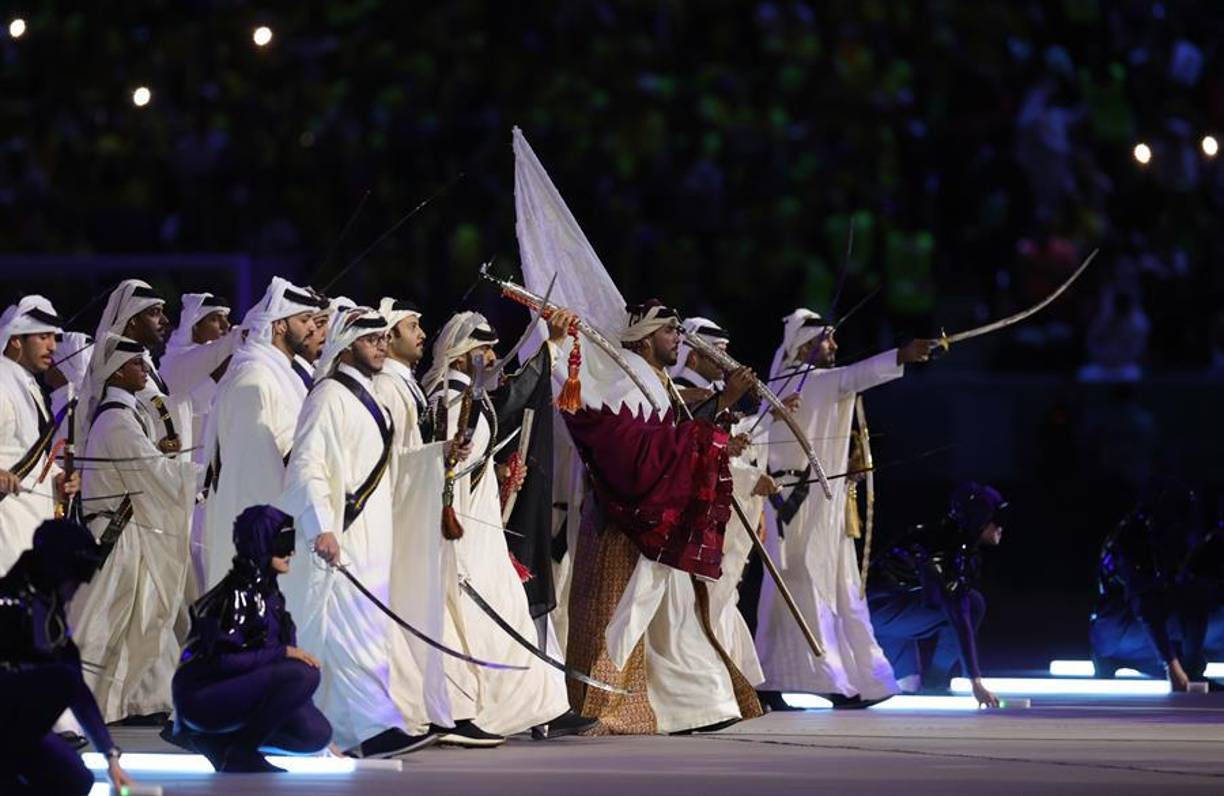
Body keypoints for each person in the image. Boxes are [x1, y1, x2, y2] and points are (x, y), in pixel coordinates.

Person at [557, 300, 763, 735]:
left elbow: (671, 436)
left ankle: (701, 706)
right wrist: (723, 400)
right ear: (648, 338)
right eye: (670, 331)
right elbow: (635, 454)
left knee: (677, 618)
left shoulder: (652, 377)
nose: (678, 339)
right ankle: (596, 703)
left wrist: (720, 409)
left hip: (659, 517)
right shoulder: (626, 379)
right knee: (622, 617)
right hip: (630, 520)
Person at [421, 310, 590, 742]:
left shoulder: (467, 393)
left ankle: (542, 709)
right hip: (459, 529)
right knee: (492, 616)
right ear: (461, 355)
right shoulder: (450, 394)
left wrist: (493, 474)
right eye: (484, 349)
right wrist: (549, 347)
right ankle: (492, 712)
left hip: (481, 528)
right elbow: (446, 463)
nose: (493, 356)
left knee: (510, 612)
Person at [755, 309, 936, 708]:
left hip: (814, 507)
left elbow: (850, 378)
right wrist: (902, 355)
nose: (834, 347)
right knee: (805, 585)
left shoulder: (796, 383)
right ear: (803, 346)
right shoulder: (805, 382)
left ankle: (839, 678)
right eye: (827, 340)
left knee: (833, 586)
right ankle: (820, 680)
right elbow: (856, 376)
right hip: (798, 507)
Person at [277, 306, 429, 757]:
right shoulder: (327, 396)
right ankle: (372, 730)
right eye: (370, 339)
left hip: (372, 534)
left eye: (384, 338)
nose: (381, 345)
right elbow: (306, 466)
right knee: (349, 631)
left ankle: (326, 729)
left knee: (353, 633)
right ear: (347, 344)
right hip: (340, 535)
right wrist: (322, 527)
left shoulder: (371, 396)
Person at [72, 334, 199, 723]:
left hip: (129, 532)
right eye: (137, 365)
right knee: (101, 622)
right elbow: (150, 468)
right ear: (116, 372)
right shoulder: (116, 420)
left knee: (134, 620)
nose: (145, 370)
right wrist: (197, 478)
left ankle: (137, 701)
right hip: (115, 537)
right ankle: (75, 704)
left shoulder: (125, 415)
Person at [171, 505, 332, 772]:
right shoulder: (233, 594)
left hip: (238, 690)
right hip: (202, 697)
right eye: (282, 542)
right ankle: (238, 751)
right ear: (262, 543)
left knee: (315, 734)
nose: (291, 552)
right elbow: (216, 663)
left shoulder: (272, 598)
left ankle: (223, 745)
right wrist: (281, 654)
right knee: (302, 674)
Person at [201, 278, 323, 588]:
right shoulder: (253, 377)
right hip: (260, 526)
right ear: (280, 326)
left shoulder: (280, 372)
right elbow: (256, 469)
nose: (312, 328)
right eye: (304, 320)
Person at [0, 519, 136, 794]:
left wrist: (110, 757)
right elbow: (67, 682)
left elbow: (79, 694)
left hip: (15, 727)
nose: (78, 588)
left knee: (75, 780)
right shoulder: (9, 603)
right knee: (61, 678)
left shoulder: (52, 614)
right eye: (76, 579)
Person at [867, 482, 1006, 708]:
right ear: (979, 520)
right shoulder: (941, 550)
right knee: (972, 603)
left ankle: (932, 680)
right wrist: (976, 683)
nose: (1001, 527)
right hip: (880, 618)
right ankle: (935, 679)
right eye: (996, 519)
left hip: (893, 617)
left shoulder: (955, 545)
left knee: (910, 686)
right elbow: (959, 615)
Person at [1089, 481, 1221, 688]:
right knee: (1194, 594)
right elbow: (1144, 604)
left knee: (1198, 594)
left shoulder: (1162, 534)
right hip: (1118, 630)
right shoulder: (1136, 536)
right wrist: (1173, 666)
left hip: (1127, 631)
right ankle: (1185, 668)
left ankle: (1175, 663)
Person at [0, 296, 80, 571]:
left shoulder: (29, 384)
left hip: (31, 531)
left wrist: (59, 480)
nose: (53, 346)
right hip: (6, 531)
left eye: (54, 338)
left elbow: (29, 452)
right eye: (43, 337)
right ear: (16, 340)